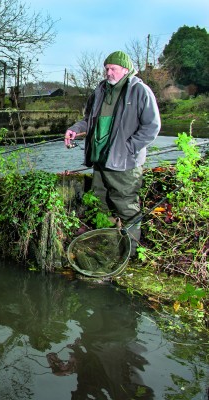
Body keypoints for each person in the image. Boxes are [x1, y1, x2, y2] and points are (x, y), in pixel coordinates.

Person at [64, 50, 161, 255]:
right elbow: (89, 121)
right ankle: (109, 244)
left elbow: (152, 126)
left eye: (113, 69)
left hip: (125, 162)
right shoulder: (100, 90)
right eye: (106, 69)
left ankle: (130, 252)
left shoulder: (139, 91)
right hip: (100, 159)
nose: (108, 72)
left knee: (126, 206)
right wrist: (74, 129)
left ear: (125, 70)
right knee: (100, 202)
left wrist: (129, 148)